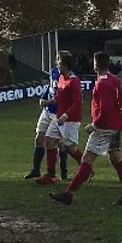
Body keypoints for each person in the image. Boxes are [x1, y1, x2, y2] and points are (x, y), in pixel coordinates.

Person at [50, 51, 122, 207]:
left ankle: (69, 194)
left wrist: (94, 125)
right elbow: (120, 101)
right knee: (116, 158)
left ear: (96, 64)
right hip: (116, 125)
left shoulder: (102, 83)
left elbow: (106, 109)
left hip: (104, 127)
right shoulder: (114, 80)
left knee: (87, 160)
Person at [37, 51, 83, 186]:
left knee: (69, 148)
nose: (57, 66)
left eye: (60, 64)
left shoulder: (74, 81)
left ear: (66, 65)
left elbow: (77, 103)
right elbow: (60, 97)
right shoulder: (62, 78)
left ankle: (87, 169)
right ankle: (50, 175)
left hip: (71, 120)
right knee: (49, 140)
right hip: (59, 118)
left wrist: (65, 115)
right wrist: (49, 101)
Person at [25, 63, 70, 181]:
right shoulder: (53, 71)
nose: (58, 62)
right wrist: (43, 100)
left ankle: (63, 172)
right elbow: (49, 90)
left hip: (58, 113)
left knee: (59, 143)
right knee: (39, 138)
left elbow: (65, 97)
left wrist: (52, 103)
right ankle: (36, 169)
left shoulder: (69, 77)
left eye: (60, 59)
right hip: (47, 112)